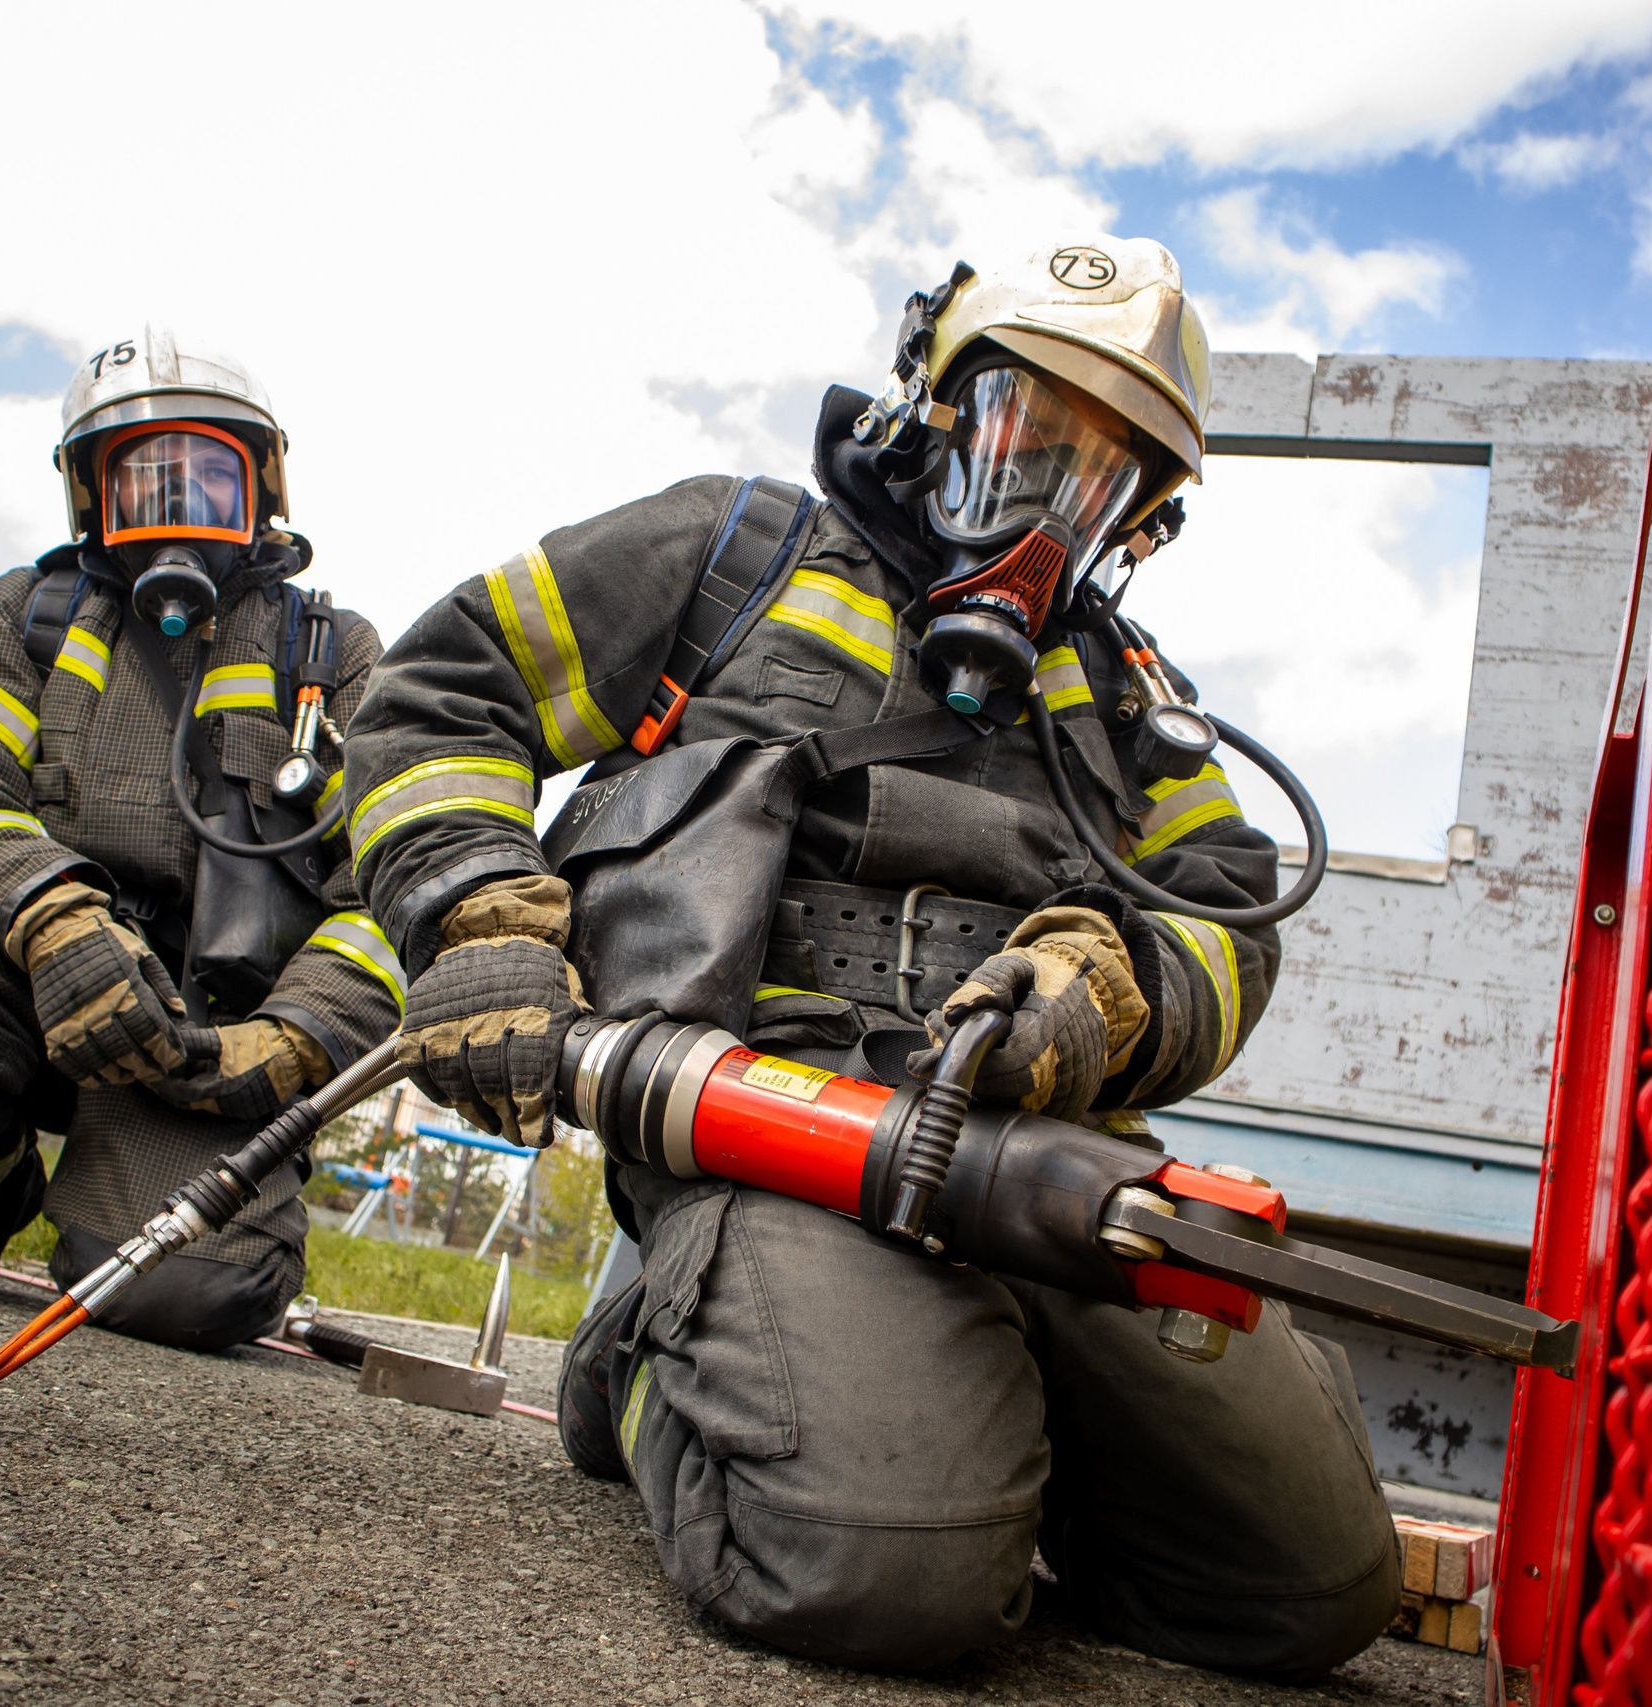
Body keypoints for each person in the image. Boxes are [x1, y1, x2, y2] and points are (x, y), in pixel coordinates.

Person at [343, 236, 1400, 1677]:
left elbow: (1224, 915)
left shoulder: (1128, 705)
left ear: (1144, 519)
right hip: (762, 1113)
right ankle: (648, 1361)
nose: (1050, 506)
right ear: (933, 405)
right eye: (1028, 434)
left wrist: (1104, 995)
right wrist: (479, 913)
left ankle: (964, 1420)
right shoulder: (732, 553)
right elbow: (441, 695)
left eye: (1104, 479)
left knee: (1308, 1593)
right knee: (881, 1573)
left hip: (1035, 1147)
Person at [0, 330, 401, 1349]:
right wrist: (53, 917)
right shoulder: (27, 615)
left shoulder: (333, 658)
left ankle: (132, 1209)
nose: (178, 505)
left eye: (208, 477)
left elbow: (386, 882)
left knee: (187, 1293)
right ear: (90, 498)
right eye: (145, 480)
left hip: (209, 1040)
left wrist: (295, 1039)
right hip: (27, 973)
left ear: (263, 488)